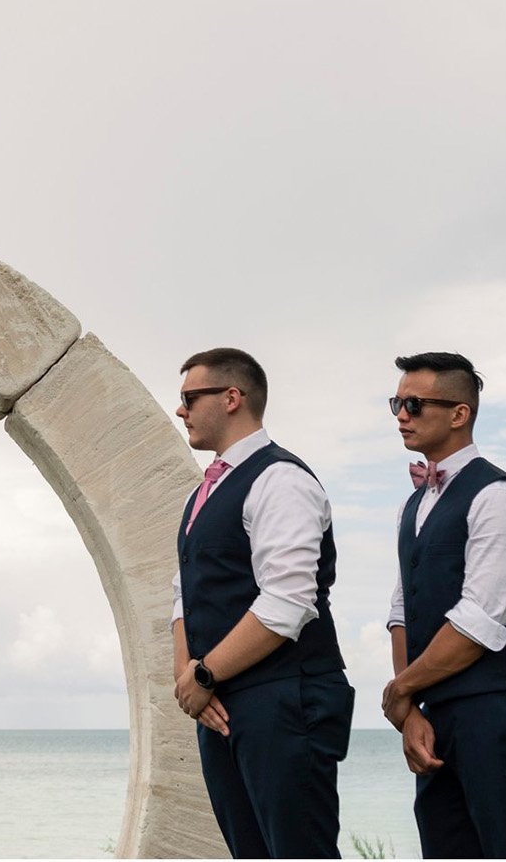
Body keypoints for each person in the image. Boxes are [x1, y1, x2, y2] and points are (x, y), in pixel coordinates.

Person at [169, 348, 353, 860]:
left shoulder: (281, 480)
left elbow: (288, 602)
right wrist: (188, 677)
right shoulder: (201, 493)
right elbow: (184, 591)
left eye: (189, 398)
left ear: (232, 398)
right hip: (223, 704)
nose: (180, 410)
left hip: (286, 701)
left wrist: (204, 675)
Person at [378, 354, 506, 858]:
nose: (401, 415)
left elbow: (479, 618)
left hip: (495, 710)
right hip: (435, 714)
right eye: (396, 403)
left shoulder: (496, 494)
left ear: (459, 413)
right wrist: (409, 711)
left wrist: (402, 689)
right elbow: (401, 610)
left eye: (413, 404)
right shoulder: (411, 505)